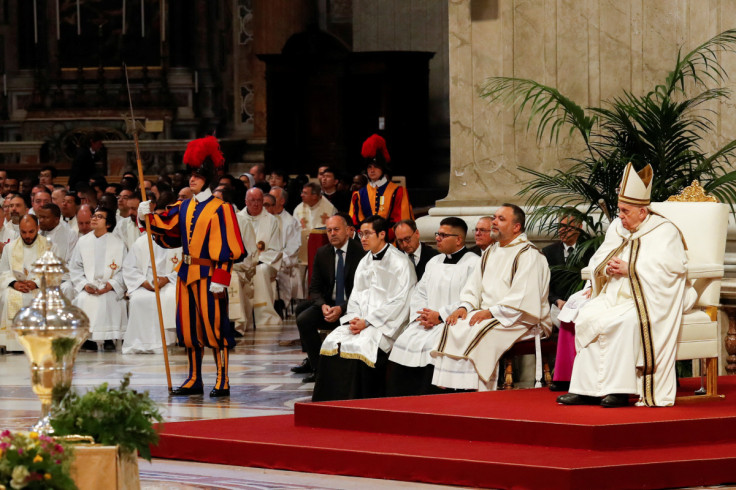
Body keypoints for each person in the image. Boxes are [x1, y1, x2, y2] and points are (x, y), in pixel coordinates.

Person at [557, 164, 690, 408]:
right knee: (587, 314)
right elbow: (599, 258)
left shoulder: (664, 231)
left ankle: (619, 391)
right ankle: (586, 390)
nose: (620, 216)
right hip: (613, 294)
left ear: (642, 212)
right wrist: (605, 269)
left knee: (623, 322)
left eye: (625, 211)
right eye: (619, 210)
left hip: (645, 298)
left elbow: (674, 269)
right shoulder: (618, 228)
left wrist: (632, 269)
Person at [138, 135, 246, 397]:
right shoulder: (184, 206)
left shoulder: (222, 209)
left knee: (215, 327)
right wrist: (146, 216)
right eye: (190, 174)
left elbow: (230, 248)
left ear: (207, 177)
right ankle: (194, 378)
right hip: (186, 274)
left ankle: (222, 378)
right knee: (188, 328)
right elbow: (168, 230)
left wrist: (221, 278)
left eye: (197, 174)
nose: (192, 179)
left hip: (210, 275)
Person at [430, 204, 552, 391]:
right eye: (494, 218)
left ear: (516, 227)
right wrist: (464, 308)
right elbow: (473, 288)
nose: (494, 222)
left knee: (479, 330)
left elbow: (523, 296)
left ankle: (480, 391)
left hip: (520, 318)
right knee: (454, 325)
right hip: (490, 313)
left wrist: (491, 312)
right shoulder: (490, 252)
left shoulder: (528, 254)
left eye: (501, 219)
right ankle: (455, 390)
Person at [313, 215, 416, 401]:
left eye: (368, 234)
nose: (363, 239)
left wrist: (368, 322)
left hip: (385, 325)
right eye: (361, 234)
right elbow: (356, 296)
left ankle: (357, 402)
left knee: (360, 347)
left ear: (382, 234)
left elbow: (401, 303)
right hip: (360, 321)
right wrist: (353, 319)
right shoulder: (365, 261)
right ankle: (328, 405)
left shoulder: (401, 263)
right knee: (331, 343)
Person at [387, 217, 479, 396]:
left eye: (443, 235)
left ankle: (429, 400)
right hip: (426, 322)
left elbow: (471, 297)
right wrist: (422, 316)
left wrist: (440, 315)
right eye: (438, 234)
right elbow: (419, 293)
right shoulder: (434, 262)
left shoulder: (473, 263)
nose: (437, 238)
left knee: (434, 347)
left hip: (451, 322)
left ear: (459, 239)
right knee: (403, 342)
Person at [293, 215, 364, 383]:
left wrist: (342, 308)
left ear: (347, 231)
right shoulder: (323, 252)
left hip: (353, 306)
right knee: (304, 319)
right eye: (329, 230)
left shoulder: (361, 252)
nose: (332, 234)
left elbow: (362, 291)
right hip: (329, 304)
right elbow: (315, 288)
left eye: (336, 230)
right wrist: (323, 305)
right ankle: (317, 368)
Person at [122, 201, 181, 354]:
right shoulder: (142, 241)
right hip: (146, 283)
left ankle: (166, 342)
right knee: (139, 300)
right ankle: (138, 342)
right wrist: (144, 282)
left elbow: (183, 264)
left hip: (169, 282)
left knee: (169, 297)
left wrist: (167, 279)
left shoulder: (176, 241)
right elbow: (129, 267)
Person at [542, 214, 592, 392]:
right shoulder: (548, 252)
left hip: (585, 299)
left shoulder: (591, 249)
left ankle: (583, 376)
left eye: (568, 227)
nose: (562, 231)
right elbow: (543, 284)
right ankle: (563, 375)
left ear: (580, 228)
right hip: (557, 303)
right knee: (566, 320)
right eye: (560, 227)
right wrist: (557, 300)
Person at [69, 207, 127, 352]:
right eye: (94, 216)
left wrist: (111, 284)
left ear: (108, 224)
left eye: (99, 217)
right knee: (83, 299)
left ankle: (108, 338)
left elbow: (124, 270)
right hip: (89, 286)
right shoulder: (83, 242)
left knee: (109, 298)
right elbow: (75, 267)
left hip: (109, 286)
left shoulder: (118, 243)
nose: (94, 218)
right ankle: (88, 340)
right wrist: (84, 285)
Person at [348, 134, 413, 240]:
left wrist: (381, 239)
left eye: (376, 167)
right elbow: (354, 223)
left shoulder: (398, 191)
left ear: (383, 169)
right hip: (365, 244)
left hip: (391, 243)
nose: (372, 170)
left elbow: (402, 221)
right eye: (369, 167)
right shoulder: (358, 195)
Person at [235, 187, 283, 331]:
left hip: (265, 262)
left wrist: (256, 261)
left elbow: (275, 248)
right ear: (245, 201)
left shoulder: (271, 220)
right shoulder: (237, 219)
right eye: (252, 200)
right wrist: (246, 263)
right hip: (242, 263)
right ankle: (242, 319)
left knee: (260, 271)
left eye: (259, 200)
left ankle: (264, 317)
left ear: (263, 201)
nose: (256, 204)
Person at [0, 215, 47, 351]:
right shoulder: (10, 247)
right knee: (9, 296)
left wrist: (36, 283)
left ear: (38, 228)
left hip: (40, 286)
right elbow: (3, 272)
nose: (27, 236)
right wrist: (14, 283)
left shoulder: (49, 246)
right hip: (16, 286)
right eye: (23, 232)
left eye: (31, 231)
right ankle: (12, 344)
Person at [267, 187, 302, 312]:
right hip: (264, 260)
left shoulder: (291, 222)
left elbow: (294, 246)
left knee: (280, 270)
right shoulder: (262, 219)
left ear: (282, 201)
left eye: (273, 198)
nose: (269, 201)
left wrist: (278, 259)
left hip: (282, 261)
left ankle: (279, 305)